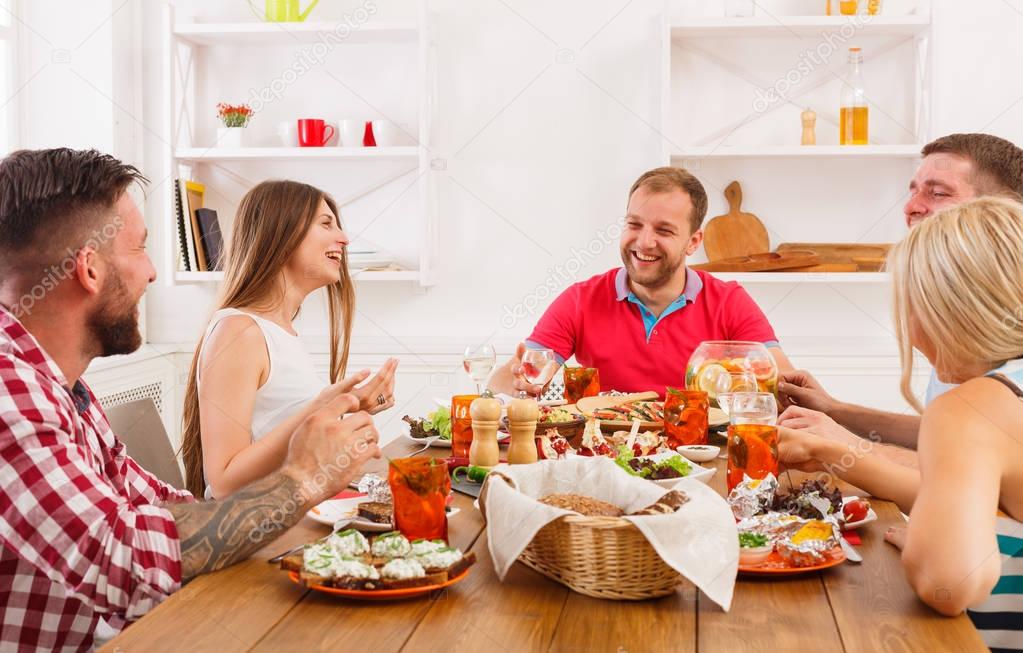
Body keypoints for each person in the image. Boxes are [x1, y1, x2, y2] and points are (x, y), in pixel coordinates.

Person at [0, 149, 381, 652]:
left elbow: (156, 503)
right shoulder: (9, 388)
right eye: (139, 249)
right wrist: (302, 479)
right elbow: (121, 557)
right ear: (89, 270)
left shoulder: (61, 384)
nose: (153, 273)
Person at [778, 197, 1023, 648]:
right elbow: (982, 503)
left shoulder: (971, 408)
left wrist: (928, 546)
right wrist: (831, 453)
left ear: (950, 310)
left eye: (911, 303)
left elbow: (948, 584)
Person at [778, 133, 1023, 451]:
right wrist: (834, 410)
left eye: (937, 193)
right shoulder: (962, 318)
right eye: (913, 192)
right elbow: (949, 433)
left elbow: (969, 471)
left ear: (1003, 210)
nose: (911, 208)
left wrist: (846, 449)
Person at [178, 180, 398, 499]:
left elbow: (282, 435)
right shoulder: (239, 331)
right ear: (281, 235)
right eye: (326, 224)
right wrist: (319, 410)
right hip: (259, 535)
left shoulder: (280, 330)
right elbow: (224, 481)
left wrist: (348, 406)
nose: (344, 238)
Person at [490, 166, 792, 397]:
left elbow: (782, 384)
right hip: (602, 463)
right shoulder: (581, 300)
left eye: (664, 230)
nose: (644, 242)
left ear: (693, 241)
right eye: (634, 224)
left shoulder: (728, 302)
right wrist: (518, 381)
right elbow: (507, 384)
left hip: (699, 464)